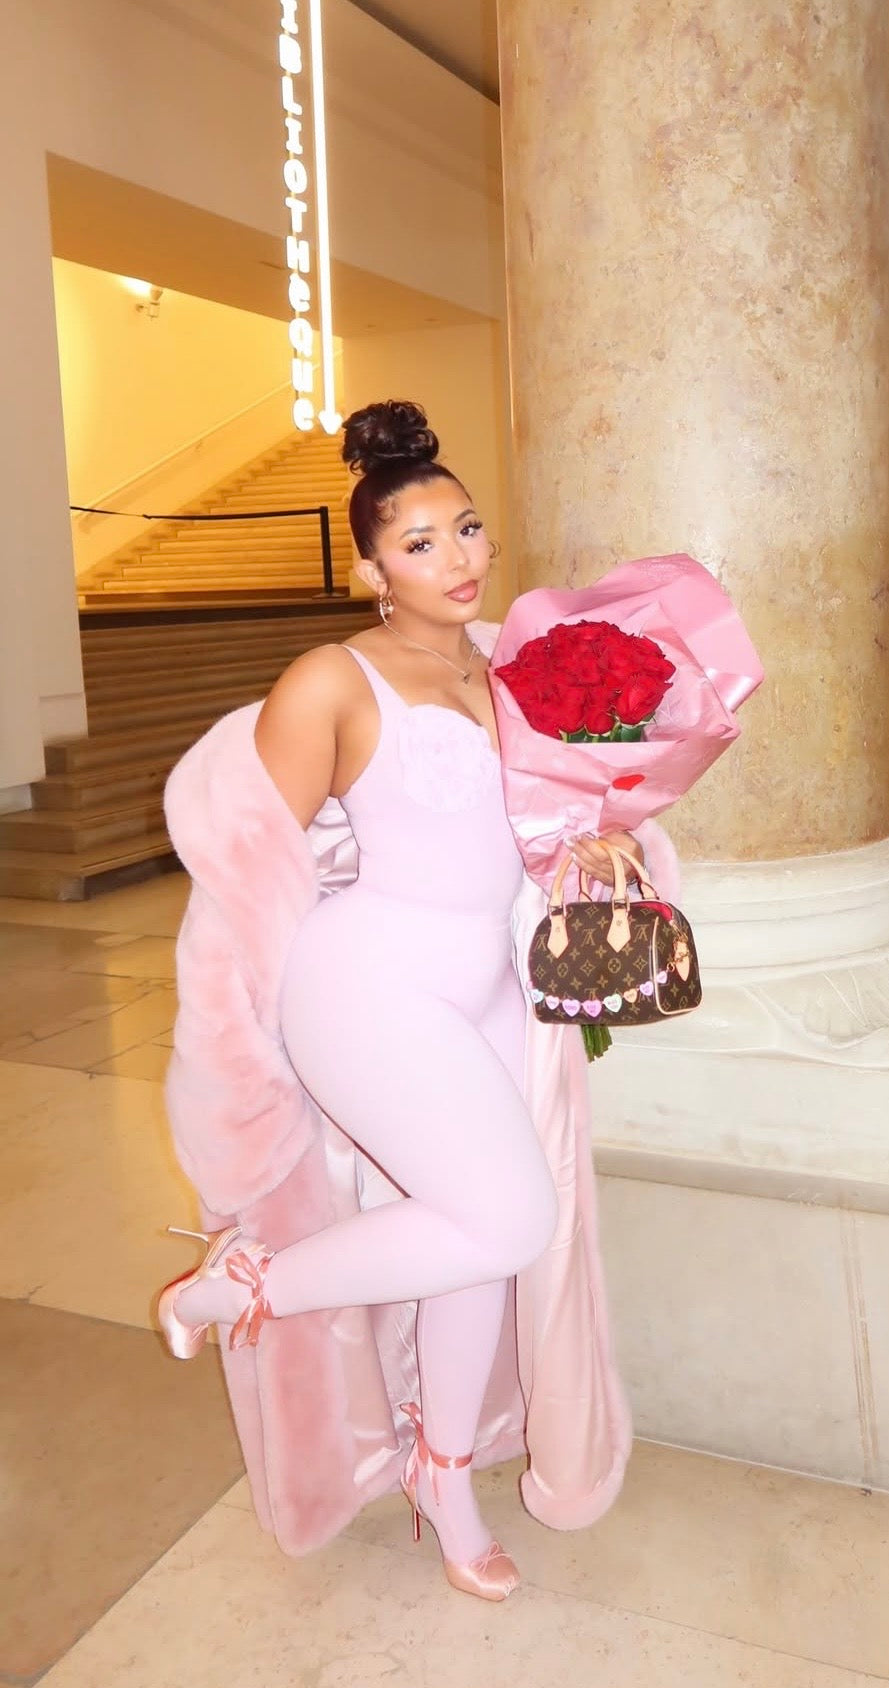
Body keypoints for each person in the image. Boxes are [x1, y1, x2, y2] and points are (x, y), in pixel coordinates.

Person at [156, 400, 645, 1602]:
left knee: (475, 1232)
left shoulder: (510, 671)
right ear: (372, 570)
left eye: (466, 527)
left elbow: (519, 833)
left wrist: (585, 848)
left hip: (486, 978)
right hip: (366, 982)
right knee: (509, 1215)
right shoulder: (332, 676)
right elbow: (253, 867)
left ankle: (444, 1473)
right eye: (419, 543)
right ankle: (241, 1285)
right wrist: (241, 1045)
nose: (457, 557)